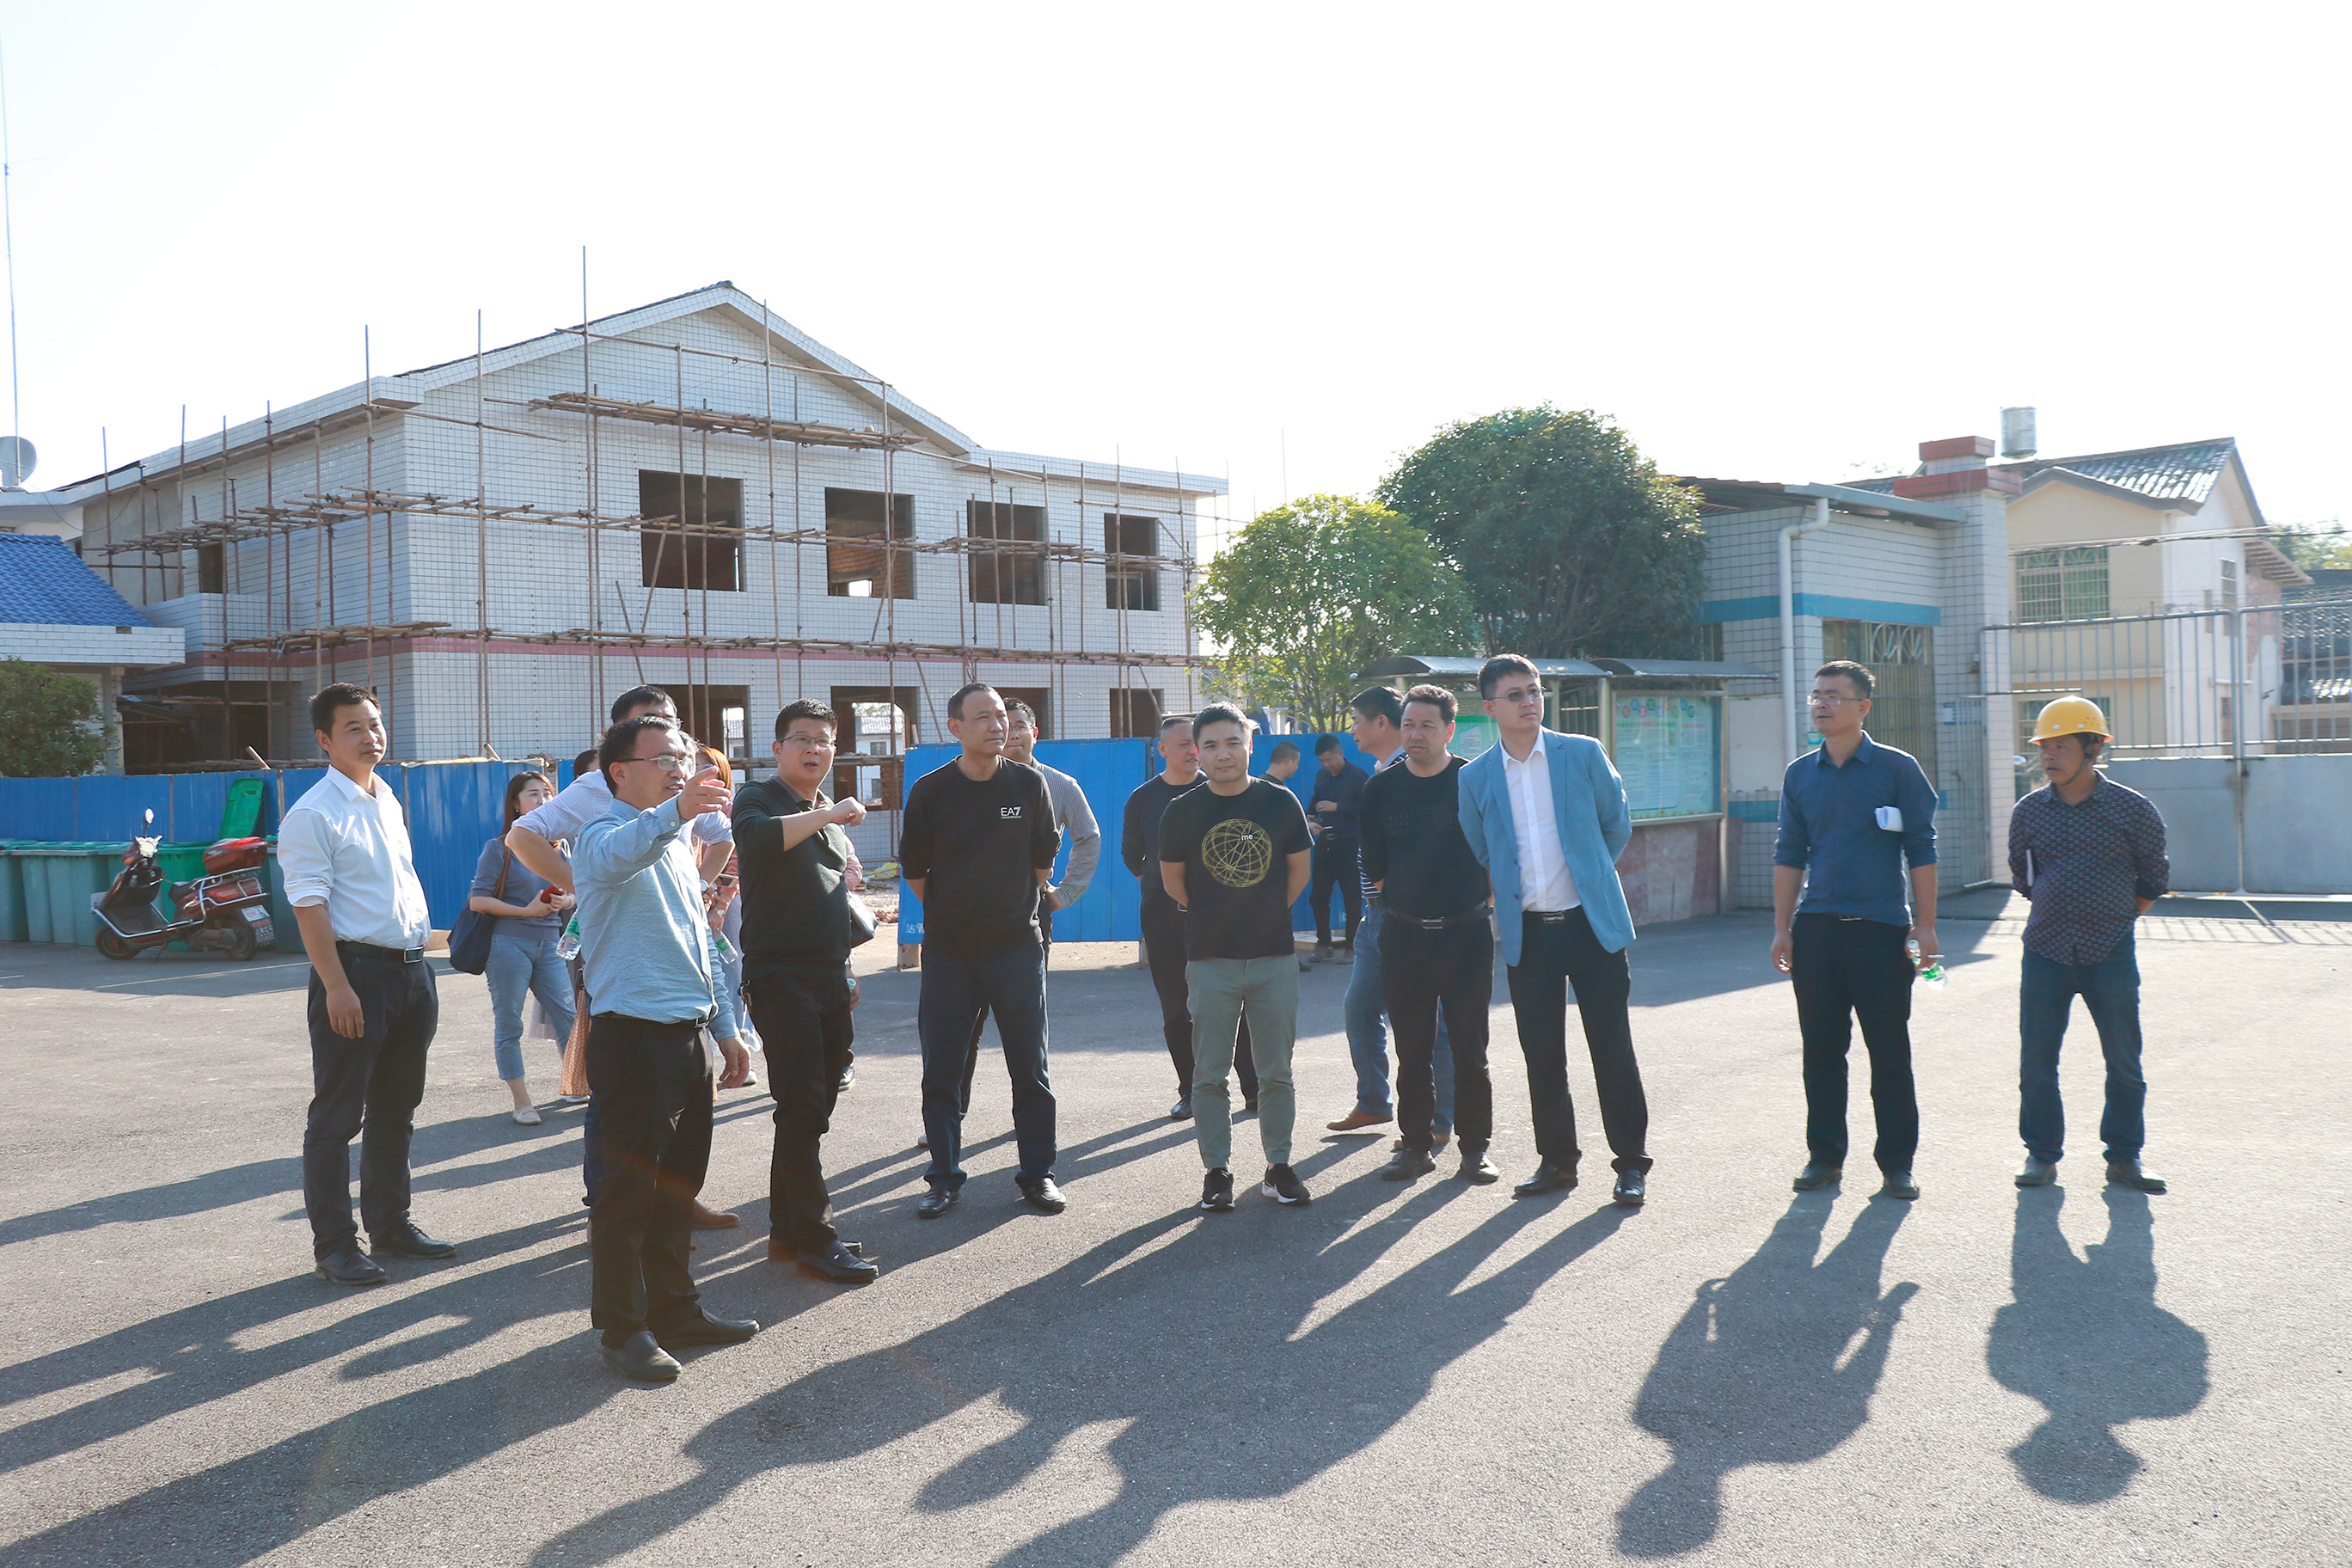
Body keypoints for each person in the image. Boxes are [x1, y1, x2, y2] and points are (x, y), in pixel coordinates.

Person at [505, 686, 739, 1229]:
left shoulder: (678, 815)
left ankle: (669, 1219)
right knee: (619, 1137)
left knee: (676, 1150)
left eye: (677, 738)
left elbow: (723, 842)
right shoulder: (598, 801)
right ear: (619, 758)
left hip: (686, 1010)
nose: (674, 756)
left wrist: (699, 888)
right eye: (655, 734)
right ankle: (607, 1206)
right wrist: (583, 886)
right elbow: (528, 837)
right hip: (630, 1003)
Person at [572, 714, 759, 1381]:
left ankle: (676, 1311)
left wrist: (726, 1026)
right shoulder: (600, 835)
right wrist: (676, 813)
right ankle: (623, 1331)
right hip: (632, 1038)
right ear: (620, 772)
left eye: (684, 757)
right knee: (627, 1195)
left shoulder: (678, 841)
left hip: (687, 1034)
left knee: (677, 1190)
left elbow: (699, 939)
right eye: (664, 759)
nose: (681, 768)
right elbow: (618, 855)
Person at [1460, 654, 1652, 1204]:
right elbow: (1482, 846)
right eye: (1515, 694)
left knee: (1612, 1049)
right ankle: (1557, 1162)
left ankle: (1631, 1164)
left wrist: (1589, 874)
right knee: (1543, 1056)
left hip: (1592, 927)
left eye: (1534, 690)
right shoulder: (1475, 777)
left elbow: (1616, 824)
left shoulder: (1581, 753)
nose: (1529, 701)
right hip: (1530, 934)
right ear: (1490, 708)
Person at [279, 683, 452, 1287]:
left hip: (411, 972)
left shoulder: (386, 798)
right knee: (336, 1117)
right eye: (353, 727)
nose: (370, 736)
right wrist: (336, 986)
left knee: (396, 1109)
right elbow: (309, 906)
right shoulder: (313, 814)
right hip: (354, 976)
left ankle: (391, 1225)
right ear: (324, 740)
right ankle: (334, 1247)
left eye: (374, 724)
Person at [1771, 660, 1939, 1202]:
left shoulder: (1897, 769)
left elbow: (1921, 849)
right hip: (1817, 930)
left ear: (1863, 707)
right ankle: (1824, 1158)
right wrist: (1782, 928)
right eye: (1816, 695)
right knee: (1821, 1052)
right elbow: (1789, 853)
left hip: (1881, 931)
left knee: (1889, 1052)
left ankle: (1897, 1164)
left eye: (1834, 696)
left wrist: (1926, 927)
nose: (1821, 704)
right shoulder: (1801, 774)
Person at [900, 683, 1066, 1218]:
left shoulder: (1029, 784)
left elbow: (1042, 861)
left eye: (1001, 716)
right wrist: (953, 912)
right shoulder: (930, 791)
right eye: (983, 717)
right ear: (956, 728)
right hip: (950, 953)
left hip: (1017, 947)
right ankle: (943, 1178)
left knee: (1030, 1068)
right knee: (943, 1069)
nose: (998, 726)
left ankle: (1038, 1174)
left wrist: (1008, 907)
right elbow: (915, 870)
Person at [732, 699, 880, 1283]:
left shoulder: (825, 816)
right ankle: (816, 1240)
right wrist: (830, 815)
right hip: (780, 976)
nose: (813, 749)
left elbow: (835, 900)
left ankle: (787, 1231)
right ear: (777, 749)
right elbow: (758, 842)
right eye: (801, 739)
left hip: (828, 975)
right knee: (801, 1107)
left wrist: (847, 971)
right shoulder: (758, 798)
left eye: (823, 740)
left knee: (812, 1108)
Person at [2007, 696, 2170, 1193]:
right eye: (2044, 747)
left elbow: (2154, 877)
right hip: (2045, 951)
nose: (2049, 756)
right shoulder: (2028, 812)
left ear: (2093, 748)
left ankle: (2124, 1157)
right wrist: (2061, 907)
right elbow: (2024, 878)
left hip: (2110, 953)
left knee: (2124, 1063)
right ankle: (2041, 1155)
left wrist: (2114, 917)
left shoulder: (2132, 809)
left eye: (2061, 746)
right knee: (2037, 1064)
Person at [1159, 702, 1315, 1210]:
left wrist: (1265, 912)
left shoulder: (1280, 802)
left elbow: (1299, 870)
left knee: (1276, 1072)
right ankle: (1217, 1171)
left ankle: (1279, 1166)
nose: (1222, 754)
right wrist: (1217, 916)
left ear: (1250, 745)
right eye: (1210, 745)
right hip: (1210, 959)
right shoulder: (1181, 810)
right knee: (1209, 1075)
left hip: (1273, 957)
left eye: (1232, 743)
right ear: (1197, 752)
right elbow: (1173, 881)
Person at [925, 699, 1101, 1145]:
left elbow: (1088, 836)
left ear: (1034, 733)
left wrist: (1065, 892)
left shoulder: (1057, 784)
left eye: (1019, 725)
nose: (1011, 732)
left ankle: (1031, 1126)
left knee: (1025, 1029)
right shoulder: (960, 784)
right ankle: (951, 1116)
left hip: (1027, 915)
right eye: (1003, 722)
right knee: (962, 1027)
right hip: (961, 924)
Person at [1360, 686, 1498, 1185]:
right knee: (1413, 1050)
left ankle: (1475, 1149)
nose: (1416, 735)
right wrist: (1407, 903)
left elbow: (1497, 849)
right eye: (1409, 725)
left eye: (1428, 726)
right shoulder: (1380, 789)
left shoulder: (1473, 781)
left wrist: (1483, 901)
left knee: (1469, 1049)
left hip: (1466, 935)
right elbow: (1374, 862)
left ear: (1449, 730)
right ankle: (1415, 1146)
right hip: (1405, 935)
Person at [1326, 686, 1455, 1146]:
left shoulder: (1413, 773)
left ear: (1381, 723)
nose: (1352, 730)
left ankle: (1439, 1121)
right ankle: (1374, 1101)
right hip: (1375, 915)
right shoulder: (1382, 775)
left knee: (1429, 1022)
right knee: (1361, 1008)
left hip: (1405, 915)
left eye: (1356, 720)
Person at [1122, 714, 1259, 1119]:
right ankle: (1192, 1090)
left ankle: (1254, 1088)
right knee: (1176, 1005)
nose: (1193, 751)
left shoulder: (1219, 790)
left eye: (1197, 743)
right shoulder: (1143, 798)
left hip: (1220, 914)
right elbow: (1133, 855)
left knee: (1235, 1000)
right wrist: (1166, 885)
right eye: (1183, 744)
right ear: (1162, 749)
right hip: (1163, 915)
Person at [468, 770, 576, 1125]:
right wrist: (526, 911)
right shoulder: (500, 847)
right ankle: (522, 1102)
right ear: (515, 804)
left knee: (569, 1018)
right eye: (533, 794)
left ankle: (577, 1084)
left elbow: (576, 892)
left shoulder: (560, 848)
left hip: (550, 944)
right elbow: (478, 901)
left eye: (547, 793)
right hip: (509, 943)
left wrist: (565, 900)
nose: (543, 800)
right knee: (509, 1023)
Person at [1306, 733, 1368, 960]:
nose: (1325, 765)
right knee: (1318, 897)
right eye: (1321, 761)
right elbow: (1316, 799)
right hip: (1325, 843)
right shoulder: (1322, 776)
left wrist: (1338, 806)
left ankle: (1352, 946)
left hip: (1349, 844)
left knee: (1352, 898)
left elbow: (1366, 808)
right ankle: (1324, 944)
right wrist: (1310, 816)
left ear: (1340, 753)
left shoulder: (1357, 776)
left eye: (1329, 759)